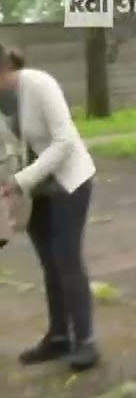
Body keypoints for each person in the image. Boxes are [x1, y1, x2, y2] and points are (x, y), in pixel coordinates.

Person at [0, 44, 100, 371]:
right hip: (34, 191)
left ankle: (85, 341)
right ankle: (59, 337)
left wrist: (20, 180)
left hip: (69, 183)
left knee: (67, 259)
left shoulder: (39, 85)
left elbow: (64, 142)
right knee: (49, 264)